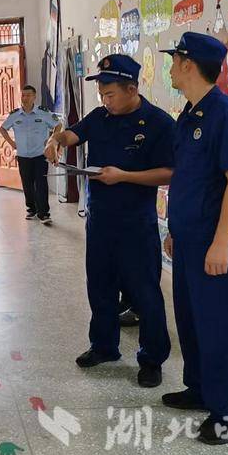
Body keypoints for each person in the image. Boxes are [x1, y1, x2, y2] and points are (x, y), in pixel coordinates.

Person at [44, 54, 172, 388]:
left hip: (136, 223)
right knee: (100, 286)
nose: (105, 101)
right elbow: (72, 134)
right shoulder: (100, 117)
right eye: (101, 95)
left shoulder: (158, 123)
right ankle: (103, 346)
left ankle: (152, 359)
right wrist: (54, 140)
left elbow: (169, 172)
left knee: (144, 292)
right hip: (100, 220)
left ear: (132, 89)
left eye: (110, 94)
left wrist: (124, 176)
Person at [160, 31, 228, 445]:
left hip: (215, 243)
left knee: (219, 326)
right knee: (192, 320)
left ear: (188, 64)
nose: (170, 68)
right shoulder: (190, 114)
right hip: (188, 239)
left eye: (174, 60)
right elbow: (188, 179)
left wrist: (221, 243)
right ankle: (200, 389)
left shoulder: (225, 114)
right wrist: (175, 230)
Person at [0, 84, 60, 224]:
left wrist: (52, 141)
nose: (25, 98)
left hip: (40, 155)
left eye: (28, 95)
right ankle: (32, 209)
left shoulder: (43, 113)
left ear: (34, 97)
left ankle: (44, 213)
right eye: (23, 95)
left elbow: (58, 125)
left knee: (41, 183)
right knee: (27, 184)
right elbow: (3, 129)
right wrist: (12, 143)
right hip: (23, 155)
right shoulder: (15, 115)